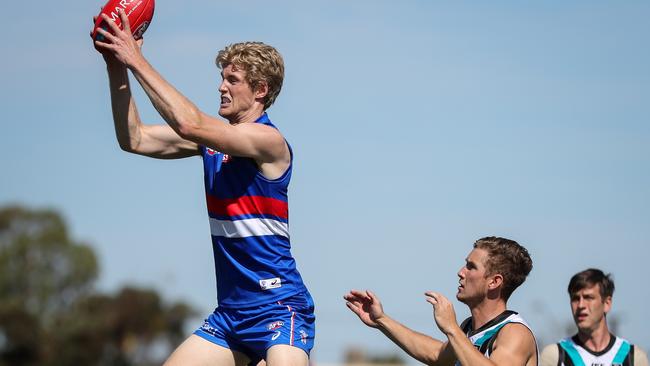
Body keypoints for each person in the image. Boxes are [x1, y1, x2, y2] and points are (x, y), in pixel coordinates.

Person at [93, 9, 315, 366]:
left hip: (280, 309)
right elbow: (133, 138)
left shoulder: (269, 141)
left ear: (261, 90)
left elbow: (189, 122)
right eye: (222, 77)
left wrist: (136, 59)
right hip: (231, 316)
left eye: (233, 79)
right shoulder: (212, 144)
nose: (221, 86)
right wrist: (116, 63)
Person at [345, 236, 538, 366]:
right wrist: (381, 320)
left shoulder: (514, 333)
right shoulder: (467, 329)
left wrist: (451, 328)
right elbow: (436, 354)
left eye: (471, 267)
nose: (460, 272)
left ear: (494, 282)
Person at [540, 269, 648, 366]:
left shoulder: (632, 357)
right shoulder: (556, 355)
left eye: (588, 297)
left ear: (607, 303)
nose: (581, 305)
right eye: (575, 299)